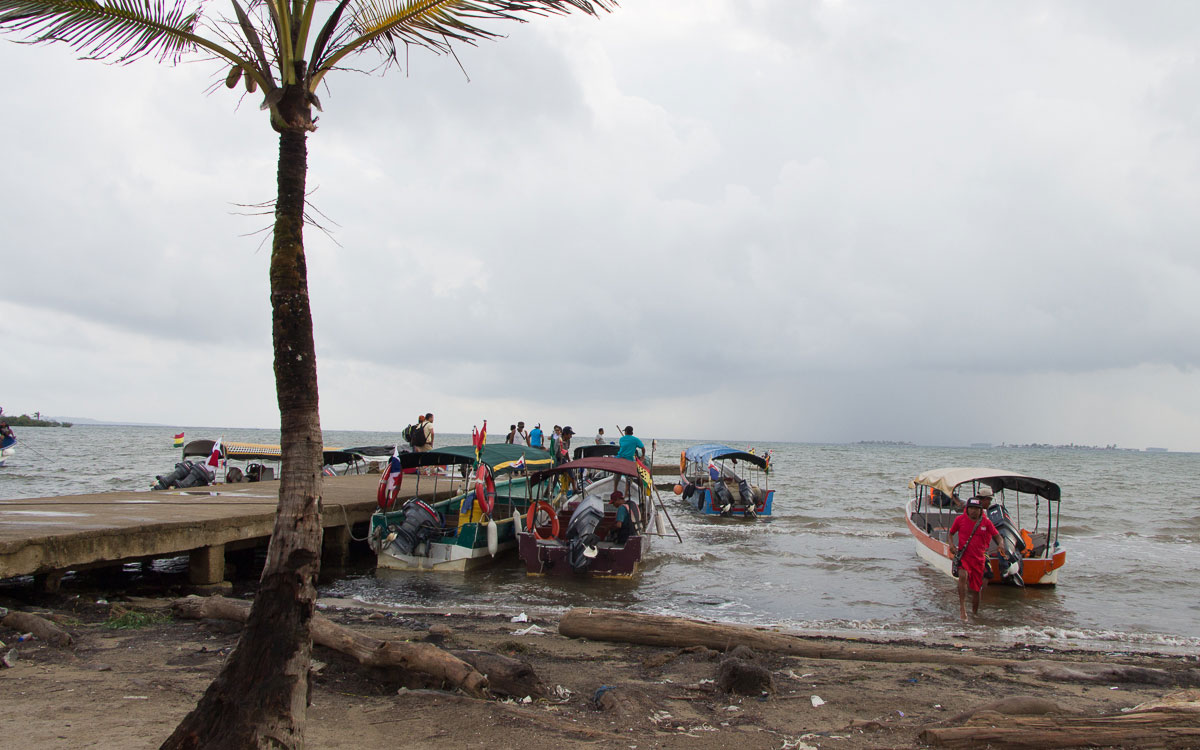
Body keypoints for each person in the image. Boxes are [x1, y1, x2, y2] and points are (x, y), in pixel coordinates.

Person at [948, 495, 1011, 622]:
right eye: (970, 508)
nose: (973, 511)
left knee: (976, 589)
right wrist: (951, 545)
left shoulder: (986, 522)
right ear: (967, 509)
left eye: (976, 508)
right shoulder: (960, 520)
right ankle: (962, 609)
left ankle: (975, 614)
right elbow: (951, 533)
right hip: (964, 556)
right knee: (963, 576)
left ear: (980, 510)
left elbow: (997, 536)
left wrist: (1001, 544)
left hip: (979, 559)